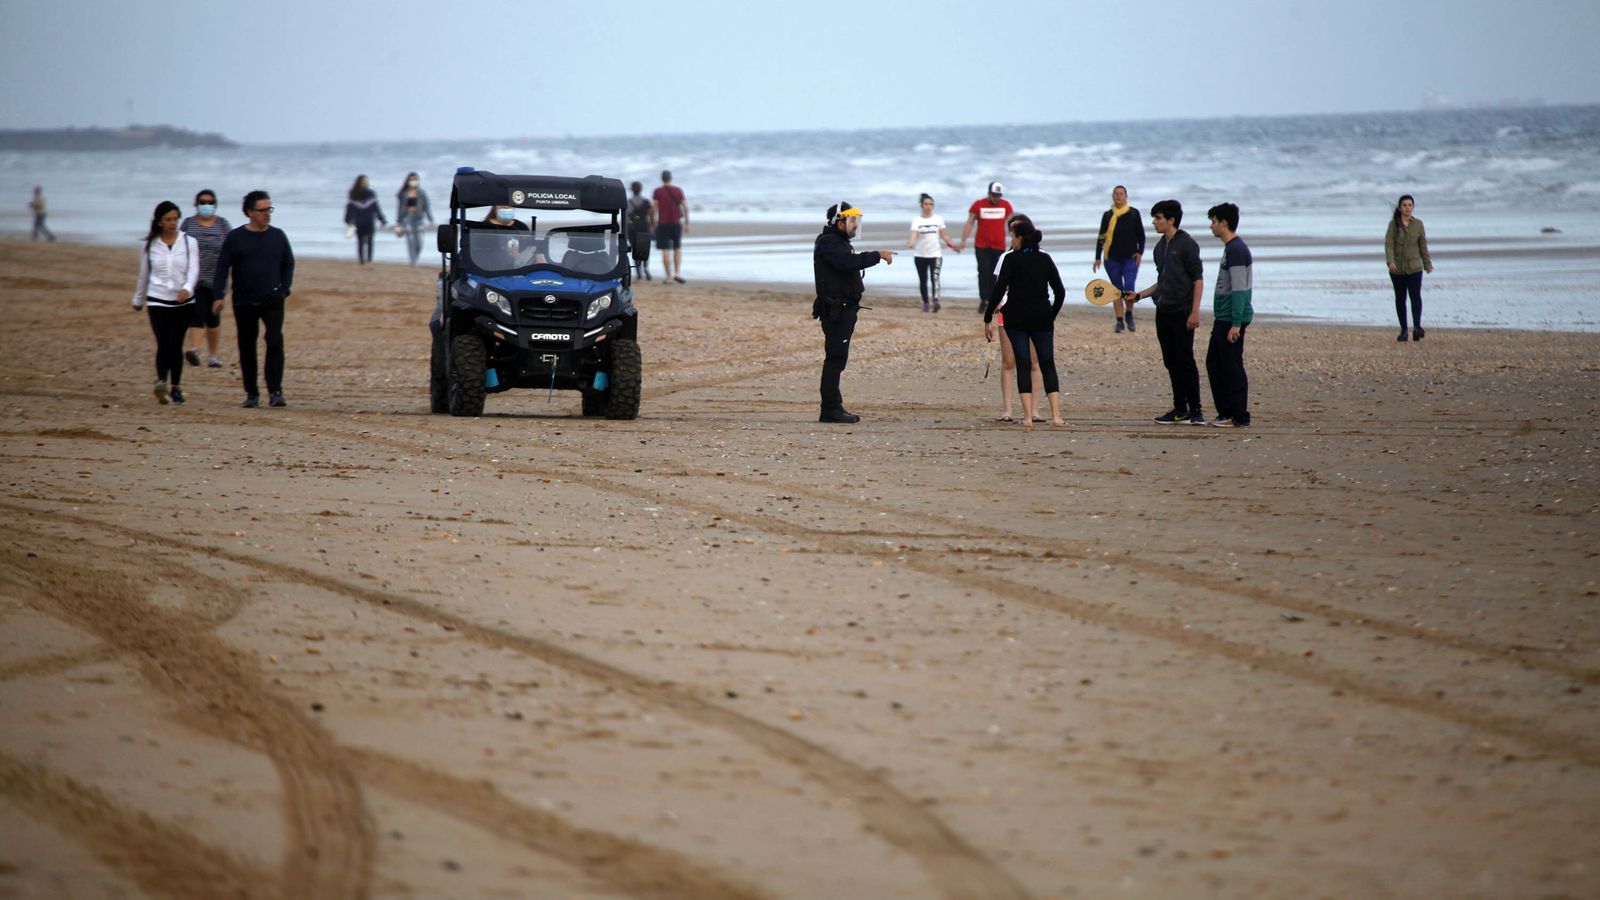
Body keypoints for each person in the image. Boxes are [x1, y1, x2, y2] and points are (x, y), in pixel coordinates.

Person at [1123, 199, 1205, 424]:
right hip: (1164, 311)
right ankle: (1180, 410)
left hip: (1183, 310)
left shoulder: (1187, 244)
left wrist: (1195, 312)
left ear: (1171, 220)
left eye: (1158, 218)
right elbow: (1162, 281)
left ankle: (1196, 410)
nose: (1154, 222)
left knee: (1185, 360)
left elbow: (1198, 279)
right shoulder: (1160, 247)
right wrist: (1139, 295)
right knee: (1171, 361)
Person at [812, 201, 895, 423]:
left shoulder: (838, 242)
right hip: (836, 310)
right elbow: (847, 263)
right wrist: (877, 255)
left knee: (838, 359)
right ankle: (830, 409)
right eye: (851, 220)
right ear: (838, 222)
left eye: (856, 220)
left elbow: (848, 262)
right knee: (835, 359)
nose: (855, 225)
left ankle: (832, 407)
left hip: (845, 308)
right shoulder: (829, 243)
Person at [214, 191, 295, 409]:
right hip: (244, 300)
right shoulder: (235, 237)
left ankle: (276, 392)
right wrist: (218, 296)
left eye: (269, 209)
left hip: (273, 298)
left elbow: (289, 263)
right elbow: (222, 267)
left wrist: (285, 289)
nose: (267, 214)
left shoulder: (278, 236)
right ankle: (252, 393)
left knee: (275, 341)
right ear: (249, 212)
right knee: (247, 346)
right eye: (262, 210)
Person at [983, 221, 1066, 428]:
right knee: (1047, 363)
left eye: (1013, 237)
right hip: (1042, 317)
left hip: (1016, 318)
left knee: (1023, 363)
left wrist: (987, 317)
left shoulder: (1011, 259)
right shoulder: (1045, 259)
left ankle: (1028, 418)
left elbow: (999, 290)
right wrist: (1051, 314)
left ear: (1020, 238)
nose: (1011, 240)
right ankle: (1057, 416)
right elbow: (1060, 291)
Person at [131, 201, 200, 405]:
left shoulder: (189, 242)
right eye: (168, 219)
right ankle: (161, 382)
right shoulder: (149, 245)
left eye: (175, 219)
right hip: (157, 300)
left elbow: (194, 270)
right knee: (164, 341)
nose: (172, 223)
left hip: (184, 302)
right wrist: (138, 298)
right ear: (159, 222)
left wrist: (187, 288)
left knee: (176, 343)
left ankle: (176, 387)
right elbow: (144, 274)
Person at [989, 213, 1045, 422]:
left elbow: (1047, 285)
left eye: (1016, 232)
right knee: (1009, 361)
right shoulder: (1005, 257)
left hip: (1034, 312)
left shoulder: (1042, 255)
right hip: (1009, 312)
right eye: (1011, 231)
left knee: (1033, 361)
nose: (1013, 236)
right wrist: (999, 305)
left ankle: (1034, 410)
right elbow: (999, 286)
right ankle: (1007, 410)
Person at [1205, 203, 1253, 427]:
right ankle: (1225, 412)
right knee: (1214, 363)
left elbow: (1240, 289)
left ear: (1224, 222)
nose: (1211, 226)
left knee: (1231, 365)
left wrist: (1236, 323)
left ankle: (1238, 415)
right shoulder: (1230, 248)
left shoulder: (1236, 249)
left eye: (1213, 221)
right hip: (1223, 317)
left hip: (1231, 319)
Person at [181, 189, 231, 369]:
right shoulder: (188, 225)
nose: (206, 205)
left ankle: (213, 356)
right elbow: (180, 247)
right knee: (197, 314)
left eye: (210, 202)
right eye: (203, 202)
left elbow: (231, 249)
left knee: (213, 317)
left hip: (218, 279)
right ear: (196, 204)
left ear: (215, 205)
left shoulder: (223, 225)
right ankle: (194, 349)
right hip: (195, 279)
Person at [1093, 185, 1145, 333]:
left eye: (1121, 194)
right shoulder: (1108, 215)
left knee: (1129, 288)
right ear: (1112, 196)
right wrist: (1097, 257)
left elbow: (1140, 235)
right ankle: (1119, 321)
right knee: (1116, 290)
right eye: (1116, 194)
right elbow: (1102, 236)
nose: (1118, 196)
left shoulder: (1133, 213)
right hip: (1112, 259)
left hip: (1130, 258)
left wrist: (1140, 252)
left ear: (1126, 196)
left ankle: (1129, 314)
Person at [955, 181, 1013, 310]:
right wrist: (963, 241)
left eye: (998, 195)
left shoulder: (1006, 205)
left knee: (996, 274)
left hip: (999, 246)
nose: (996, 198)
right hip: (982, 246)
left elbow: (1012, 223)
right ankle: (984, 300)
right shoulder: (978, 205)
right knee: (983, 272)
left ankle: (995, 300)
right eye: (994, 195)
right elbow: (970, 223)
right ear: (988, 194)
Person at [1385, 193, 1433, 342]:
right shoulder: (1393, 225)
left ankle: (1417, 327)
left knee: (1415, 296)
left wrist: (1427, 264)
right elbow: (1389, 244)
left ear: (1413, 207)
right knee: (1400, 298)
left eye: (1410, 205)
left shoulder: (1418, 224)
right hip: (1397, 268)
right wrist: (1390, 261)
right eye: (1404, 205)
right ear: (1400, 208)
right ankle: (1404, 330)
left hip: (1415, 267)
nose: (1407, 208)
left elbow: (1423, 245)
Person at [907, 193, 955, 313]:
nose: (928, 206)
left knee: (935, 278)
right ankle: (926, 303)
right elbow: (913, 234)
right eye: (926, 204)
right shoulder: (917, 220)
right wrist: (911, 242)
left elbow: (944, 235)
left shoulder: (938, 219)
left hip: (936, 254)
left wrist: (953, 245)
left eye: (931, 204)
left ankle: (936, 301)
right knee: (923, 280)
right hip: (920, 255)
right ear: (922, 205)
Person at [652, 170, 688, 283]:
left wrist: (653, 223)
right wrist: (687, 223)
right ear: (670, 178)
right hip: (676, 223)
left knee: (665, 249)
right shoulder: (678, 190)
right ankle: (677, 272)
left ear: (662, 179)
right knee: (677, 248)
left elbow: (654, 209)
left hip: (663, 223)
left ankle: (669, 277)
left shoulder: (657, 191)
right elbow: (685, 207)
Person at [343, 175, 387, 265]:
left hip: (370, 220)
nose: (366, 183)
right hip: (358, 221)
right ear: (359, 182)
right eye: (363, 181)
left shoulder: (371, 194)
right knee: (360, 241)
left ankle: (370, 260)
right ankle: (362, 260)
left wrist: (382, 219)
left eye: (367, 181)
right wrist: (348, 219)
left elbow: (376, 208)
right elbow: (349, 208)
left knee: (370, 241)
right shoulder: (353, 194)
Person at [394, 172, 434, 266]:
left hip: (419, 219)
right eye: (412, 180)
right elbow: (400, 208)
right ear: (408, 181)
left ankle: (415, 258)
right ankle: (413, 262)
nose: (414, 182)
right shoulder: (404, 194)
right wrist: (398, 221)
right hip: (407, 218)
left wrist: (430, 218)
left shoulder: (422, 193)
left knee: (419, 242)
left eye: (415, 179)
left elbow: (427, 206)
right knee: (411, 241)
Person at [626, 180, 654, 280]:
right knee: (645, 250)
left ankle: (638, 273)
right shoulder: (646, 201)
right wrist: (653, 226)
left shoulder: (629, 202)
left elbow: (626, 217)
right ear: (641, 189)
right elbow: (651, 214)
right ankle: (646, 268)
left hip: (633, 228)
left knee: (635, 250)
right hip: (644, 227)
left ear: (632, 190)